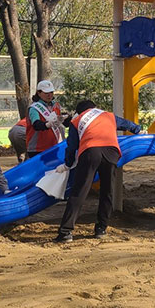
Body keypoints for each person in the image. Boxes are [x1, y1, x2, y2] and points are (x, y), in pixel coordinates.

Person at [54, 100, 141, 242]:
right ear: (95, 107)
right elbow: (129, 125)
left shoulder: (77, 121)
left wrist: (67, 164)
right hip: (111, 152)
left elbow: (71, 147)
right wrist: (139, 129)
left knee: (80, 191)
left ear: (80, 111)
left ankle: (66, 232)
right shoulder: (108, 115)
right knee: (107, 191)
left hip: (90, 151)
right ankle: (101, 228)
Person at [26, 79, 63, 157]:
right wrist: (48, 125)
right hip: (37, 149)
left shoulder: (56, 105)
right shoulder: (34, 108)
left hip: (53, 147)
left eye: (51, 92)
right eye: (46, 93)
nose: (49, 95)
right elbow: (36, 124)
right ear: (39, 93)